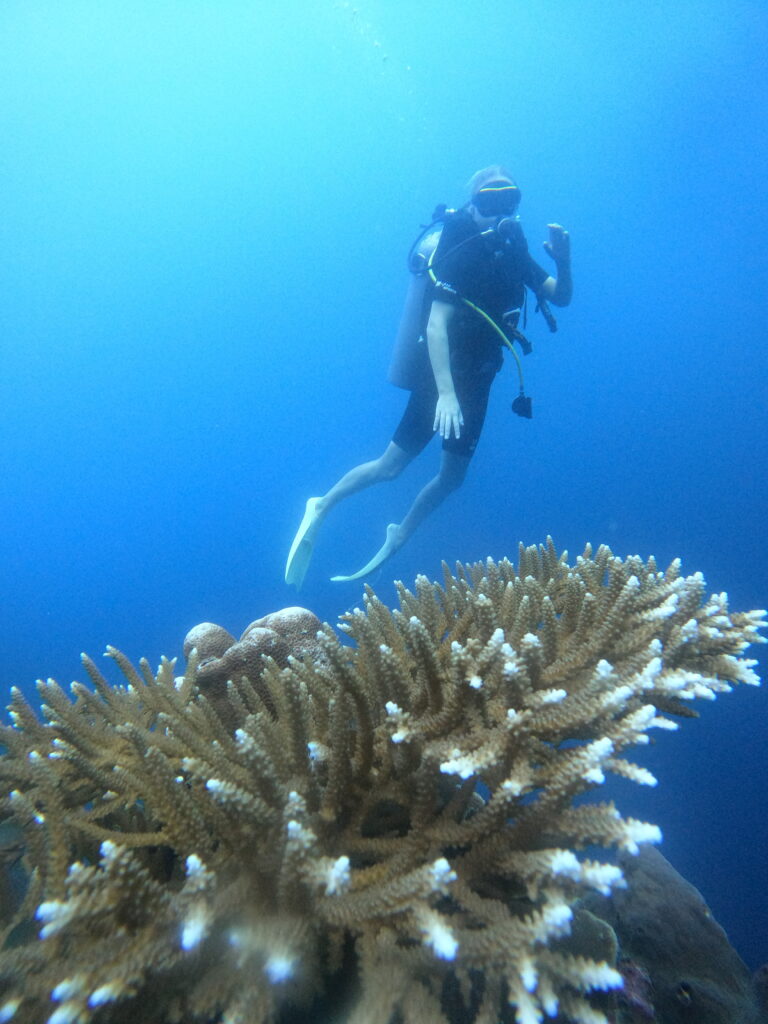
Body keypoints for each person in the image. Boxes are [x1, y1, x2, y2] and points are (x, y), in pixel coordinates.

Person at [285, 165, 572, 587]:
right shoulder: (459, 245)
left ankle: (400, 532)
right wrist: (446, 395)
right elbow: (436, 326)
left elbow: (560, 296)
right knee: (391, 466)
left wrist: (563, 262)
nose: (499, 212)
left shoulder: (513, 248)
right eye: (489, 203)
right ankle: (321, 506)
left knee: (453, 478)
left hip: (480, 377)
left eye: (509, 201)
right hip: (440, 377)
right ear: (473, 205)